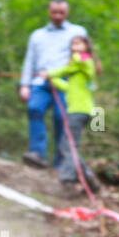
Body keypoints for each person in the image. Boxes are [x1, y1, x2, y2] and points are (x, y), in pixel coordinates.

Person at [18, 0, 87, 169]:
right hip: (39, 81)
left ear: (67, 12)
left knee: (61, 117)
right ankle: (37, 154)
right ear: (49, 11)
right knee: (34, 109)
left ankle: (61, 159)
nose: (58, 16)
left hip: (65, 82)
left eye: (61, 12)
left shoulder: (77, 32)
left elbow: (86, 57)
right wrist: (24, 85)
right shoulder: (37, 35)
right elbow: (29, 60)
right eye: (54, 12)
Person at [41, 34, 101, 194]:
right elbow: (67, 87)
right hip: (79, 111)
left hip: (80, 111)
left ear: (87, 46)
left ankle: (67, 180)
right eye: (73, 44)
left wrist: (50, 73)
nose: (75, 47)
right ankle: (89, 178)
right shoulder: (77, 74)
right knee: (67, 146)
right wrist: (51, 80)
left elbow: (68, 68)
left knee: (68, 146)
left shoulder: (83, 62)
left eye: (78, 43)